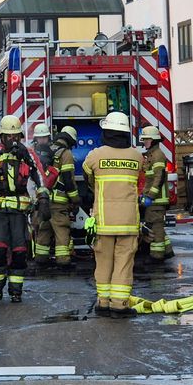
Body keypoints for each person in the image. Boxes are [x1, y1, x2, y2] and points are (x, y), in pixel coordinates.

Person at [0, 115, 50, 303]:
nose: (13, 140)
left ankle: (16, 290)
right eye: (9, 136)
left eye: (16, 136)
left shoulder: (28, 155)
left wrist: (43, 200)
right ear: (1, 136)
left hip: (19, 212)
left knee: (19, 251)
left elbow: (40, 177)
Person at [82, 112, 142, 318]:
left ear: (106, 131)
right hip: (128, 222)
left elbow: (88, 177)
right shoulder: (137, 156)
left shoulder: (95, 156)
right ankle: (120, 305)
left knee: (103, 262)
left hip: (103, 221)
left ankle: (103, 303)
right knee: (123, 263)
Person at [139, 126, 172, 260]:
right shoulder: (152, 155)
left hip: (157, 200)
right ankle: (168, 251)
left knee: (156, 226)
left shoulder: (157, 155)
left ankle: (157, 255)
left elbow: (159, 177)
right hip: (154, 199)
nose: (144, 142)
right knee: (155, 225)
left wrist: (150, 196)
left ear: (153, 140)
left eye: (146, 140)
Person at [48, 126, 80, 266]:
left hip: (44, 198)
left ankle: (41, 257)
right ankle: (63, 259)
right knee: (61, 228)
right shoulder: (65, 154)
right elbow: (68, 179)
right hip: (58, 200)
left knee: (44, 228)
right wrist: (75, 199)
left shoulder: (48, 149)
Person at [29, 123, 55, 265]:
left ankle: (46, 250)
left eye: (45, 138)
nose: (42, 141)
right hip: (35, 192)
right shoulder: (30, 152)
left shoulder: (53, 151)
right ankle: (35, 252)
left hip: (50, 193)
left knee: (48, 223)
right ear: (36, 139)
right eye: (40, 138)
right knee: (36, 224)